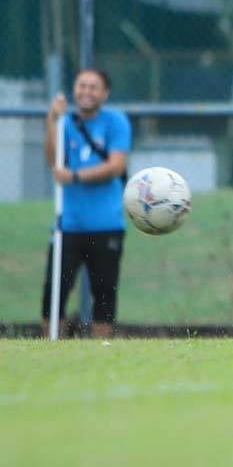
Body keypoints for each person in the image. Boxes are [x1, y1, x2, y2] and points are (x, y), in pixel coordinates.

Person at [41, 68, 132, 339]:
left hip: (106, 224)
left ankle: (100, 347)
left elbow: (116, 166)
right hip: (67, 224)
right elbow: (53, 160)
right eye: (82, 85)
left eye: (93, 87)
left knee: (104, 292)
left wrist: (76, 176)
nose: (86, 92)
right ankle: (50, 347)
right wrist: (51, 120)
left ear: (105, 93)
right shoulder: (64, 122)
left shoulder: (115, 122)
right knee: (55, 290)